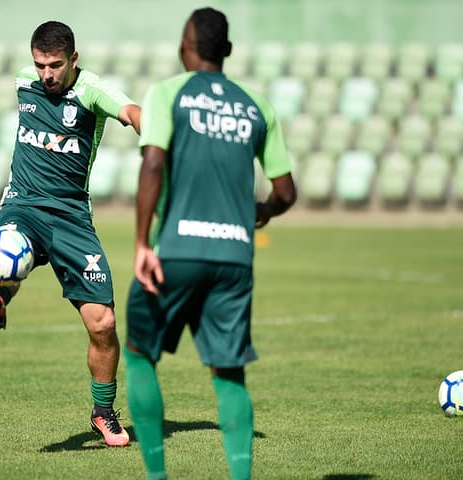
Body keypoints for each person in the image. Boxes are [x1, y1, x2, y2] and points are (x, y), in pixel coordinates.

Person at [124, 7, 296, 479]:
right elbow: (285, 192)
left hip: (178, 251)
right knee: (229, 373)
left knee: (140, 353)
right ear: (228, 51)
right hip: (235, 257)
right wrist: (261, 213)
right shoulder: (256, 105)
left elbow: (154, 164)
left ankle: (157, 476)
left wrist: (142, 242)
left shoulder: (166, 93)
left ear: (185, 47)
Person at [0, 20, 140, 447]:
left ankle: (103, 413)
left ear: (73, 60)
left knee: (103, 324)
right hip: (23, 205)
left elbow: (130, 112)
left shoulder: (91, 91)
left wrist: (155, 132)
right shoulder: (23, 82)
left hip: (71, 217)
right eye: (40, 65)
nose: (45, 74)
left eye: (55, 65)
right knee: (5, 248)